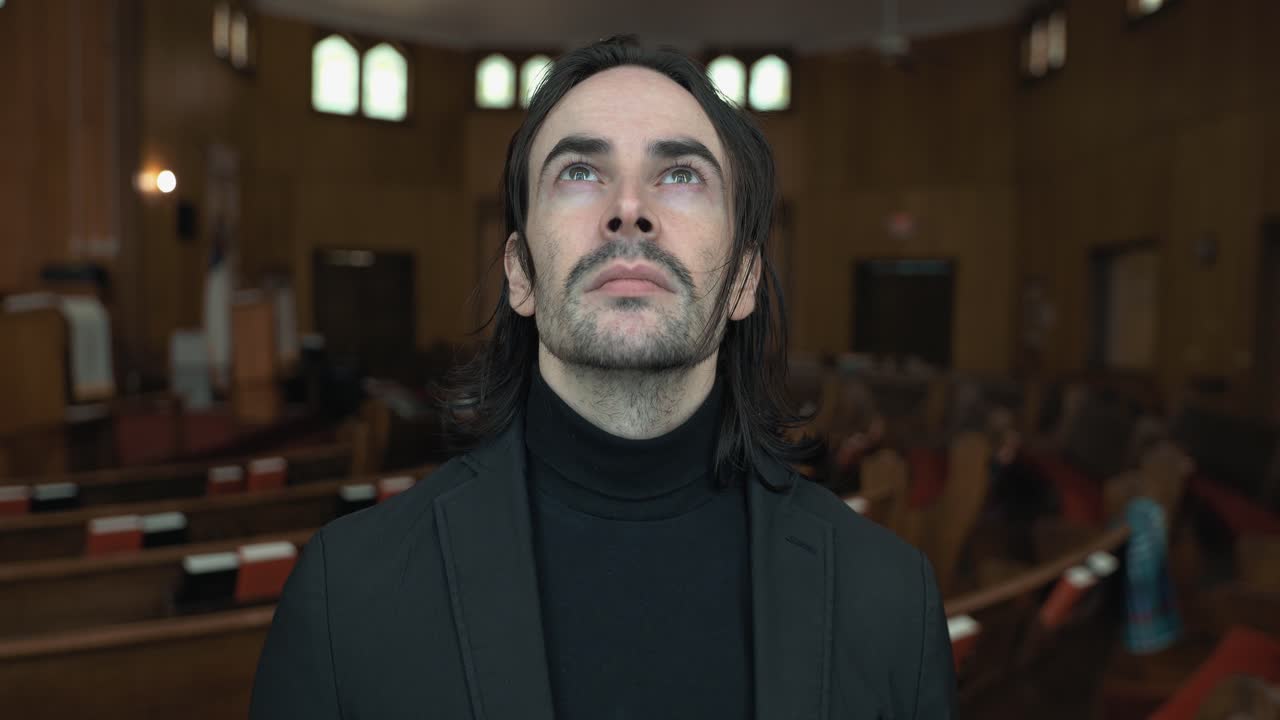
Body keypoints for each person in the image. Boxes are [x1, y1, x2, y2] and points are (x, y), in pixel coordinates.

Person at [250, 36, 955, 719]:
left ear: (743, 280)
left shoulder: (889, 598)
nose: (629, 208)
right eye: (580, 172)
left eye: (680, 174)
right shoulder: (347, 595)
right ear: (521, 274)